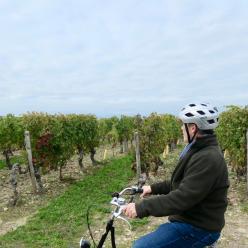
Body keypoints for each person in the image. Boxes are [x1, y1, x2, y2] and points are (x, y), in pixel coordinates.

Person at [123, 103, 230, 248]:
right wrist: (152, 188)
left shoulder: (208, 158)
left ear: (193, 128)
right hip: (190, 219)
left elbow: (182, 198)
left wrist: (141, 208)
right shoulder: (197, 150)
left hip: (199, 227)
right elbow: (181, 182)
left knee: (141, 247)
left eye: (183, 124)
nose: (181, 128)